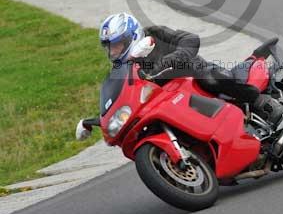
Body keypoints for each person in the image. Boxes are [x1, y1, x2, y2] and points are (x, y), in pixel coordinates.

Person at [75, 12, 270, 140]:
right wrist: (94, 121)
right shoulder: (123, 69)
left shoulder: (155, 34)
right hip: (169, 99)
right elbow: (124, 99)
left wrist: (173, 58)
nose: (114, 51)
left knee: (211, 79)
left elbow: (189, 39)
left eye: (117, 45)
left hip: (193, 75)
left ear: (132, 36)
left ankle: (262, 102)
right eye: (110, 47)